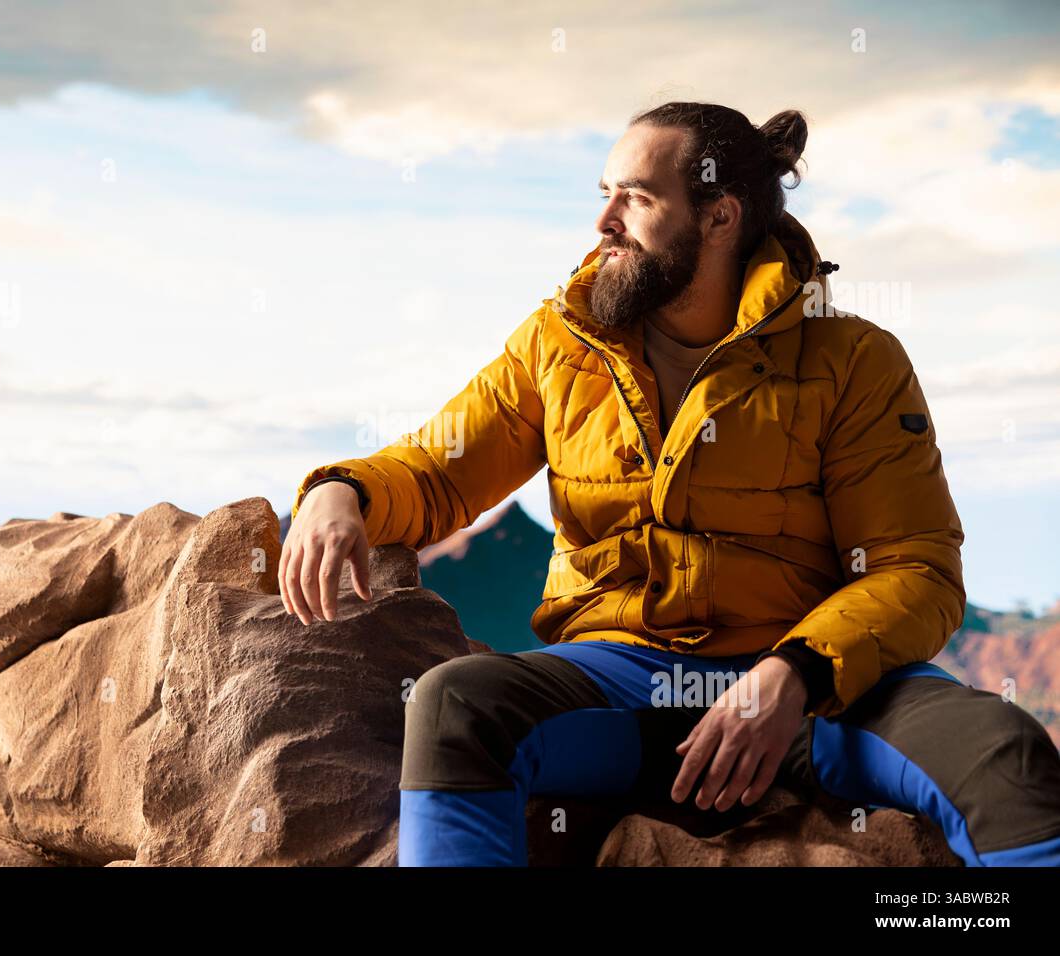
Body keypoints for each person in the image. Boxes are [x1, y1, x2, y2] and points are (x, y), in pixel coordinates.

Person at [279, 101, 1060, 867]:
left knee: (1006, 754)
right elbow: (438, 469)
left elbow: (914, 568)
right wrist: (341, 490)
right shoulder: (561, 342)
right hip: (628, 677)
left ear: (720, 217)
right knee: (454, 704)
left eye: (637, 198)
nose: (604, 222)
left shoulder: (852, 359)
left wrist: (794, 672)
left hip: (827, 688)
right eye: (605, 195)